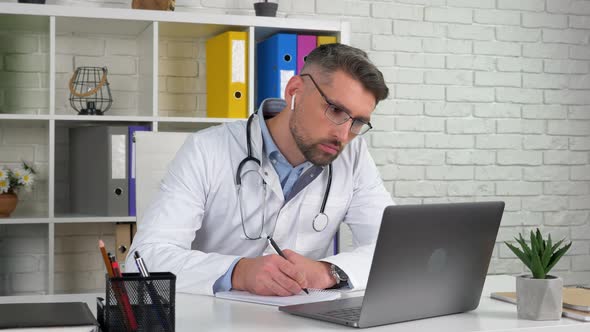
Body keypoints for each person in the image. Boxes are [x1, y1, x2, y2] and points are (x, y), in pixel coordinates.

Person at [126, 43, 394, 296]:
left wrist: (329, 272)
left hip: (301, 319)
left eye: (358, 122)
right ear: (295, 91)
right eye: (335, 110)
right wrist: (237, 272)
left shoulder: (354, 157)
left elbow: (395, 249)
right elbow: (146, 258)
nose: (344, 135)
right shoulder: (206, 149)